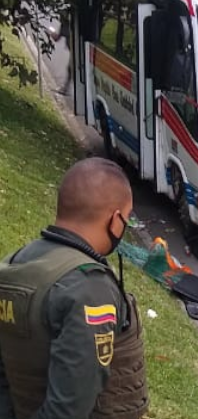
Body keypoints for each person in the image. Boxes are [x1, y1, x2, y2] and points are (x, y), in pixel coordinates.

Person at [0, 157, 149, 418]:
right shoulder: (89, 287)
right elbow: (69, 408)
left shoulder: (16, 262)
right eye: (125, 219)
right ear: (115, 220)